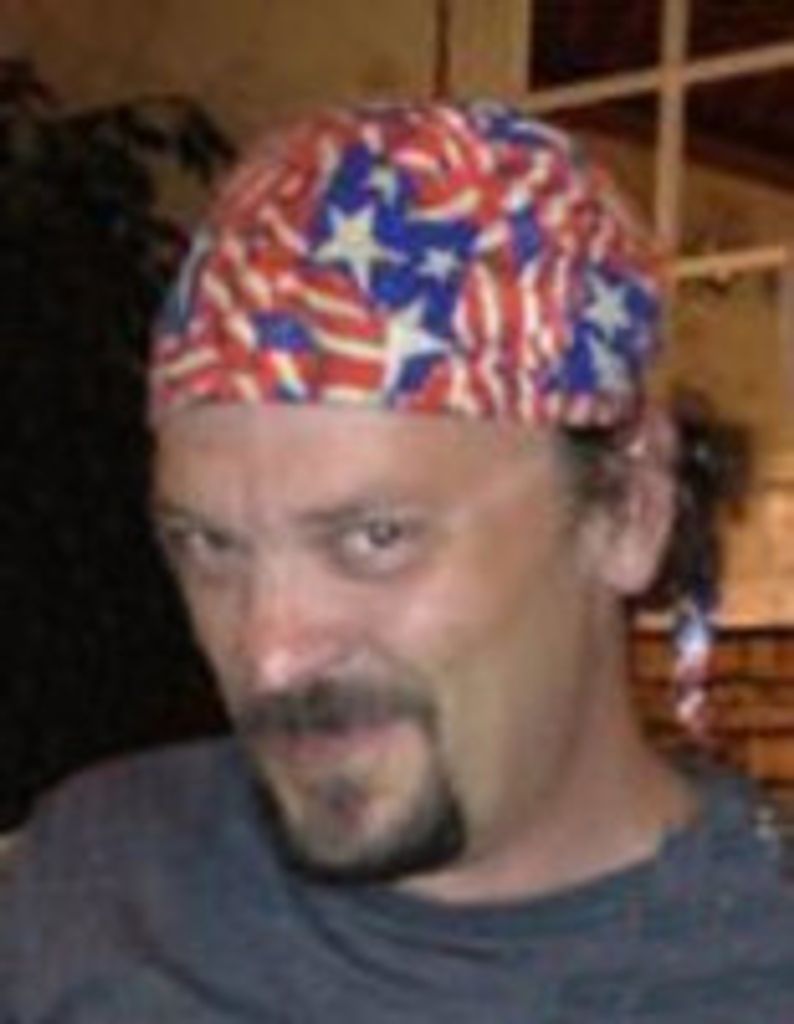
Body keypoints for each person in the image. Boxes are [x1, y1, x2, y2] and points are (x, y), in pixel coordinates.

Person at [2, 100, 792, 1023]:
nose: (270, 656)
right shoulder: (90, 876)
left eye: (373, 538)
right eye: (210, 546)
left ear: (628, 508)